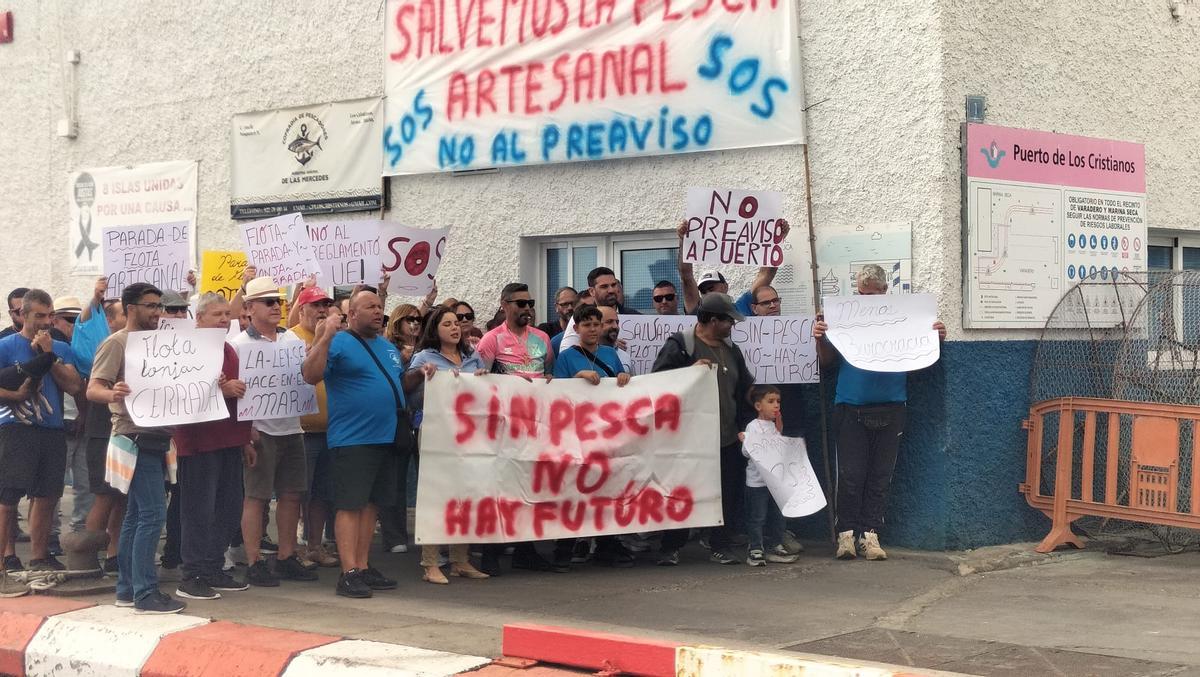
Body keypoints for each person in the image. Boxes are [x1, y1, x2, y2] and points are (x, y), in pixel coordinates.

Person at [812, 264, 945, 561]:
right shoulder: (845, 316)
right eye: (862, 293)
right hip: (850, 405)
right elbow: (828, 363)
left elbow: (922, 356)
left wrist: (934, 338)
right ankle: (845, 535)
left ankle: (870, 535)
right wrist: (820, 338)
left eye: (873, 294)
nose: (867, 300)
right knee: (850, 475)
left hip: (892, 404)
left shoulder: (905, 316)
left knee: (881, 476)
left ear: (886, 291)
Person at [87, 282, 184, 614]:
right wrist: (113, 394)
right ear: (130, 308)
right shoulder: (116, 343)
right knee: (152, 514)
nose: (157, 312)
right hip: (132, 437)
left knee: (136, 516)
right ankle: (145, 592)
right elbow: (93, 389)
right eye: (150, 306)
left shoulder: (162, 343)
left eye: (159, 306)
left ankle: (128, 589)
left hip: (157, 436)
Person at [302, 290, 402, 599]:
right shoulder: (340, 341)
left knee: (372, 504)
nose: (377, 311)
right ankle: (348, 573)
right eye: (370, 306)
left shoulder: (387, 347)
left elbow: (395, 383)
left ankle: (362, 564)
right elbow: (310, 374)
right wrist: (324, 337)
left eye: (380, 307)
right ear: (352, 315)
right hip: (353, 438)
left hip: (385, 436)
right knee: (350, 505)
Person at [652, 293, 755, 566]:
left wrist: (748, 422)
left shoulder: (732, 350)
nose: (732, 325)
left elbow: (744, 389)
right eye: (728, 321)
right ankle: (671, 546)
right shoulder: (681, 346)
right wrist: (689, 371)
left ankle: (720, 544)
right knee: (681, 491)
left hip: (726, 437)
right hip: (687, 440)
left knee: (726, 494)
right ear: (711, 321)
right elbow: (657, 385)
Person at [231, 277, 316, 587]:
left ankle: (285, 556)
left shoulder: (292, 342)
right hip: (260, 431)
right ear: (249, 308)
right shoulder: (238, 346)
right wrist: (245, 433)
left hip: (291, 427)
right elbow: (234, 395)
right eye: (268, 302)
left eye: (278, 301)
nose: (275, 307)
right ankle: (254, 561)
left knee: (292, 494)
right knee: (256, 496)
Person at [171, 293, 253, 600]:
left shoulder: (229, 349)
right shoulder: (187, 349)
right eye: (217, 314)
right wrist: (220, 389)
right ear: (199, 318)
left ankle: (212, 566)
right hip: (198, 442)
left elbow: (244, 396)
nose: (223, 319)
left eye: (225, 314)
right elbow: (179, 390)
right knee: (198, 510)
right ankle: (191, 574)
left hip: (231, 439)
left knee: (230, 508)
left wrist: (247, 438)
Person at [404, 307, 491, 585]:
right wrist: (422, 376)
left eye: (457, 323)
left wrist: (481, 380)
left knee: (465, 495)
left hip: (467, 434)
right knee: (437, 496)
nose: (455, 328)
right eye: (448, 324)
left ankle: (460, 560)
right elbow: (411, 397)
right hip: (435, 432)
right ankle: (430, 563)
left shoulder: (471, 356)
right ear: (435, 329)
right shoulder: (424, 357)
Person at [0, 289, 83, 572]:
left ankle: (38, 557)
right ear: (23, 315)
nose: (46, 321)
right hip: (15, 427)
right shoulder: (6, 346)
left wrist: (49, 355)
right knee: (9, 496)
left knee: (48, 494)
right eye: (40, 315)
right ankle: (6, 557)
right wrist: (15, 395)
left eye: (50, 316)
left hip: (51, 428)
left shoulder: (59, 348)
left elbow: (73, 385)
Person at [475, 282, 555, 575]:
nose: (527, 309)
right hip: (502, 428)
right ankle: (491, 553)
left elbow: (548, 374)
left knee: (530, 489)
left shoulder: (543, 339)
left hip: (534, 427)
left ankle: (526, 551)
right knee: (501, 490)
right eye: (520, 303)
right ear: (504, 305)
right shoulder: (491, 340)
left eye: (530, 303)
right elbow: (478, 381)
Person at [551, 305, 634, 571]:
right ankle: (566, 545)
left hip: (608, 434)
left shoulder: (611, 353)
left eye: (596, 324)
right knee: (575, 490)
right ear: (576, 329)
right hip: (578, 434)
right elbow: (557, 395)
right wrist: (577, 377)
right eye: (586, 325)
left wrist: (623, 377)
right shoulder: (566, 357)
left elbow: (623, 388)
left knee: (607, 489)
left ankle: (606, 544)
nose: (593, 329)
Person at [284, 287, 340, 568]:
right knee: (296, 492)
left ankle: (315, 546)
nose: (321, 310)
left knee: (322, 494)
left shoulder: (336, 339)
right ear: (301, 308)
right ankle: (292, 549)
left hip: (331, 430)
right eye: (315, 305)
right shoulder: (289, 338)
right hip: (301, 430)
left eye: (326, 305)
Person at [77, 277, 126, 576]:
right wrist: (96, 297)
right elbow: (83, 323)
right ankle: (86, 559)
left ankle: (114, 553)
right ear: (109, 319)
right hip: (101, 432)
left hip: (125, 432)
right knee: (104, 495)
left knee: (122, 497)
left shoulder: (135, 344)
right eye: (123, 313)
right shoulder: (101, 342)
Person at [738, 386, 800, 567]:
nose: (776, 406)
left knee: (779, 514)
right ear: (758, 406)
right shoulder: (753, 426)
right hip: (757, 483)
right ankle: (755, 548)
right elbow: (746, 453)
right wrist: (746, 441)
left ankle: (776, 544)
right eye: (771, 401)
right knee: (757, 516)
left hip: (774, 482)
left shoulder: (774, 427)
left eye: (778, 402)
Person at [380, 302, 423, 554]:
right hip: (399, 419)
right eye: (409, 319)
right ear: (397, 323)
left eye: (418, 319)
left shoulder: (427, 348)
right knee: (395, 479)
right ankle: (393, 534)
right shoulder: (388, 349)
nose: (415, 323)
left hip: (423, 418)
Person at [676, 220, 790, 316]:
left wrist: (777, 240)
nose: (707, 294)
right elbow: (686, 277)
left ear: (725, 287)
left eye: (711, 288)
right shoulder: (698, 312)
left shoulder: (742, 307)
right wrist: (684, 242)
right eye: (703, 291)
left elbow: (766, 275)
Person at [50, 295, 89, 545]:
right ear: (55, 320)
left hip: (81, 421)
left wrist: (84, 415)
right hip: (58, 422)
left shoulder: (84, 346)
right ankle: (50, 536)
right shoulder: (50, 346)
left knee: (85, 484)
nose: (73, 325)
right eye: (69, 320)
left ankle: (81, 534)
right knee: (51, 486)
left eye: (77, 320)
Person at [597, 305, 634, 375]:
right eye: (609, 322)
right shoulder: (582, 355)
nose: (615, 326)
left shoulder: (625, 356)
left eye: (617, 322)